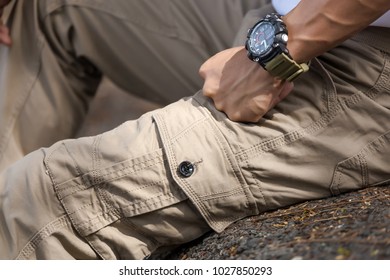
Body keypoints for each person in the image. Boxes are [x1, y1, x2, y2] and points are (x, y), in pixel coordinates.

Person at [0, 0, 389, 260]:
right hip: (282, 11)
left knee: (41, 199)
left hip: (362, 58)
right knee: (44, 8)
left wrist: (273, 56)